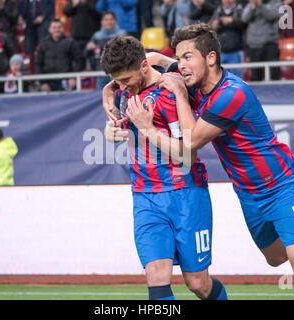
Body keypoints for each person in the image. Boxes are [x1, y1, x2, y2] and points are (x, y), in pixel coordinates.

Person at [106, 24, 294, 300]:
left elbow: (190, 144)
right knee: (276, 256)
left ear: (210, 58)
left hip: (281, 184)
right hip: (248, 192)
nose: (181, 65)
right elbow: (142, 67)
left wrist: (151, 124)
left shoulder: (231, 94)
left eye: (187, 57)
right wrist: (112, 94)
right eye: (179, 58)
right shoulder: (194, 80)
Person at [100, 36, 227, 300]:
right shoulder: (127, 92)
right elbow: (126, 122)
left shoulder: (170, 93)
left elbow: (187, 154)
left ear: (144, 67)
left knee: (198, 284)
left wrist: (147, 129)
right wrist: (111, 129)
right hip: (145, 196)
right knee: (156, 275)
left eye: (125, 80)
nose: (121, 86)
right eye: (118, 81)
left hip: (185, 194)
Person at [35, 18, 84, 92]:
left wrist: (74, 78)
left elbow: (80, 60)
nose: (57, 30)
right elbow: (38, 64)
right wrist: (42, 83)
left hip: (67, 82)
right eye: (54, 27)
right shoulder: (43, 44)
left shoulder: (70, 42)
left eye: (59, 27)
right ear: (49, 29)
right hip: (48, 82)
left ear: (63, 28)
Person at [241, 0, 281, 81]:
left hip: (270, 44)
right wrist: (253, 7)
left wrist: (260, 5)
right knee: (255, 77)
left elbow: (272, 15)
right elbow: (244, 18)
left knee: (274, 75)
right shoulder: (251, 4)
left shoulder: (276, 2)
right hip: (254, 45)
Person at [85, 11, 126, 89]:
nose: (108, 22)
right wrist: (88, 48)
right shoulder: (96, 36)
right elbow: (87, 54)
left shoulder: (122, 35)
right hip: (100, 74)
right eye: (106, 19)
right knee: (101, 99)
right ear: (101, 22)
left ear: (115, 21)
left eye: (111, 19)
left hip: (118, 74)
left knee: (118, 99)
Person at [210, 0, 246, 78]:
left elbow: (244, 24)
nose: (227, 1)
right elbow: (210, 27)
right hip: (221, 51)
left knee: (237, 78)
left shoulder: (240, 10)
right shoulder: (217, 11)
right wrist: (214, 26)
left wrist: (232, 20)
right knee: (220, 78)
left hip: (236, 50)